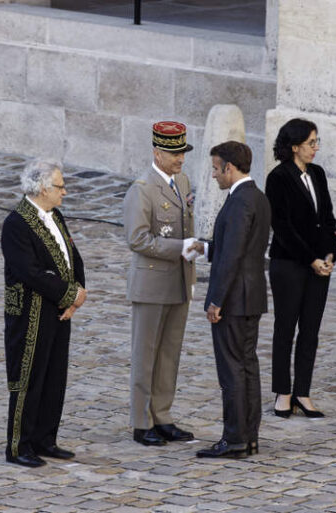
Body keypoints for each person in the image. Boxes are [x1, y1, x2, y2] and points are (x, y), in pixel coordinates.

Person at [1, 158, 86, 467]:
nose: (64, 192)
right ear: (43, 188)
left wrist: (77, 293)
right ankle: (19, 446)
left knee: (54, 377)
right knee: (29, 378)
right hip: (30, 313)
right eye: (60, 187)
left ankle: (45, 439)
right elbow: (30, 272)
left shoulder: (55, 214)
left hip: (58, 311)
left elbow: (71, 254)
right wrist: (70, 294)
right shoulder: (17, 223)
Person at [123, 121, 198, 446]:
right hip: (152, 282)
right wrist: (180, 248)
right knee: (146, 353)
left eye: (182, 151)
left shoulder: (181, 181)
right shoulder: (142, 188)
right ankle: (142, 422)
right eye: (173, 152)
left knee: (169, 353)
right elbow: (137, 238)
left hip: (179, 281)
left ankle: (163, 415)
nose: (180, 158)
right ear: (157, 152)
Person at [196, 142, 271, 459]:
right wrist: (204, 248)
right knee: (247, 367)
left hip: (235, 298)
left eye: (215, 168)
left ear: (229, 167)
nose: (213, 175)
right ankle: (248, 436)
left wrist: (216, 300)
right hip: (249, 296)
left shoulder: (240, 201)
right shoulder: (257, 197)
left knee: (233, 371)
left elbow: (233, 255)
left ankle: (235, 437)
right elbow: (232, 246)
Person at [265, 118, 336, 418]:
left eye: (316, 141)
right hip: (289, 264)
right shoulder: (278, 178)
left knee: (311, 329)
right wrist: (311, 259)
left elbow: (328, 216)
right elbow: (282, 226)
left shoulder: (318, 173)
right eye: (311, 143)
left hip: (320, 264)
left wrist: (330, 254)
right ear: (294, 147)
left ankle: (303, 391)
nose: (316, 147)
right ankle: (283, 391)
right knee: (286, 327)